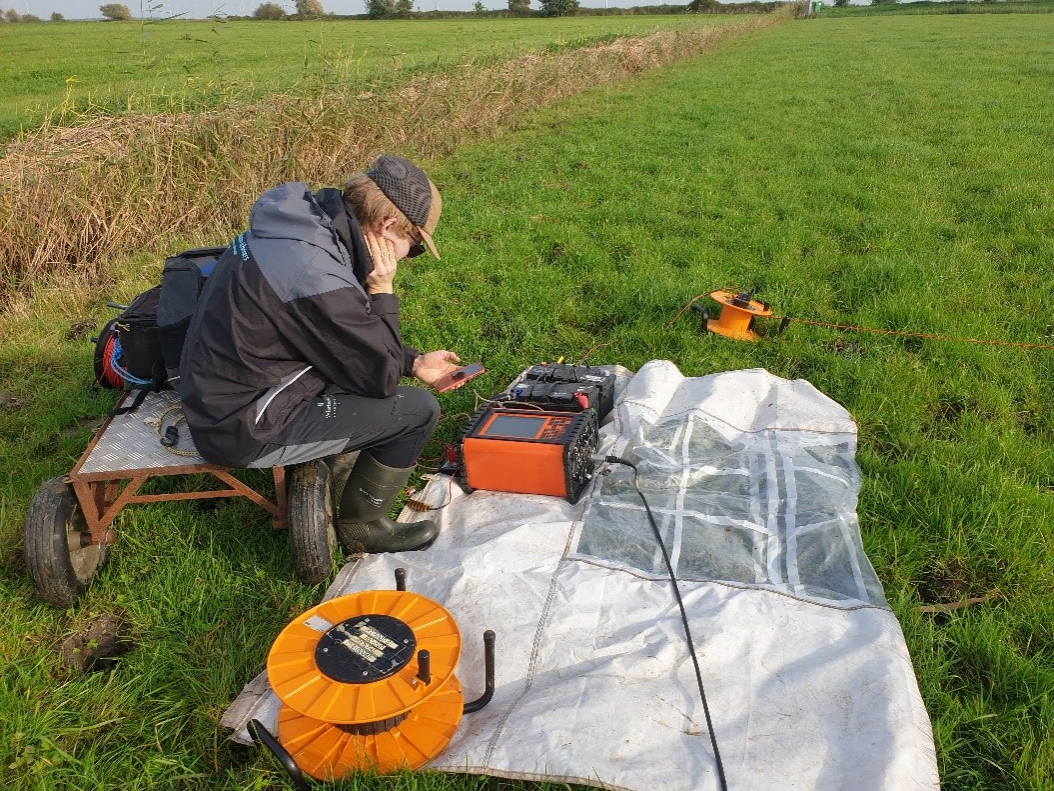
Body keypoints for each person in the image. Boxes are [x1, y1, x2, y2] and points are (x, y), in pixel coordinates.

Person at [179, 154, 460, 553]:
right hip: (242, 425)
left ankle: (344, 463)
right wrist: (382, 294)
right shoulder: (316, 273)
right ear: (387, 227)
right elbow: (377, 378)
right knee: (416, 410)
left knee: (379, 383)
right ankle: (363, 528)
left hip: (220, 391)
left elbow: (339, 338)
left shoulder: (301, 230)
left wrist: (413, 361)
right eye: (411, 249)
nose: (405, 260)